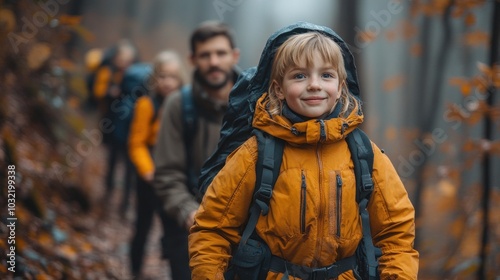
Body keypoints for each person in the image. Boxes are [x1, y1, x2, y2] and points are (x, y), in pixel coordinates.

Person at [188, 27, 419, 279]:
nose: (314, 85)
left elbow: (396, 234)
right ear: (278, 89)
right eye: (299, 76)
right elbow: (213, 230)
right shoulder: (256, 154)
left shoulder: (364, 154)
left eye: (326, 75)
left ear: (341, 87)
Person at [153, 21, 240, 279]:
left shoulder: (255, 104)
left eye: (221, 53)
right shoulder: (178, 105)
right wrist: (189, 213)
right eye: (205, 55)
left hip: (245, 231)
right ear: (192, 59)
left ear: (235, 56)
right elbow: (168, 174)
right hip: (189, 225)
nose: (214, 62)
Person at [128, 50, 185, 279]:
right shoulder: (146, 105)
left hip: (174, 173)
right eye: (162, 76)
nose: (167, 82)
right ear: (154, 78)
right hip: (150, 171)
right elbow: (136, 142)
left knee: (174, 228)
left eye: (172, 76)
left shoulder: (184, 105)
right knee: (143, 223)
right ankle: (134, 268)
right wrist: (148, 171)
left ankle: (173, 268)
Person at [92, 39, 139, 216]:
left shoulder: (136, 76)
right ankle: (107, 196)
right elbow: (98, 93)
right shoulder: (108, 72)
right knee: (112, 161)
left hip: (131, 130)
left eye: (129, 59)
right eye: (122, 58)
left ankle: (125, 205)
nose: (125, 62)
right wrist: (109, 93)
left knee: (129, 168)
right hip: (112, 126)